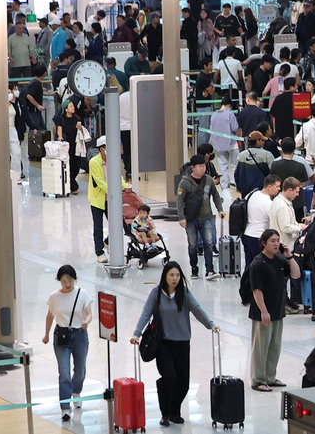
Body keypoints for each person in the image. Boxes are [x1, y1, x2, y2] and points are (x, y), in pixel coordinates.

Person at [130, 262, 218, 426]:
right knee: (169, 377)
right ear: (165, 276)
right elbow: (145, 313)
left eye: (177, 275)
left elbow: (197, 309)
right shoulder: (156, 293)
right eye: (171, 275)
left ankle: (174, 411)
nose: (175, 278)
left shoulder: (183, 293)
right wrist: (137, 334)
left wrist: (210, 324)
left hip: (182, 343)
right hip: (163, 343)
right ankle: (165, 413)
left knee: (183, 382)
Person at [247, 229, 303, 392]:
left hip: (278, 310)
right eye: (272, 241)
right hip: (262, 312)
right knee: (261, 347)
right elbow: (256, 290)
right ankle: (258, 379)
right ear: (263, 243)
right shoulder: (258, 263)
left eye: (277, 240)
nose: (276, 243)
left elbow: (296, 274)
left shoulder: (279, 259)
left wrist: (289, 256)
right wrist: (264, 311)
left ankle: (270, 377)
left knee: (274, 346)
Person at [41, 265, 93, 421]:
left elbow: (89, 313)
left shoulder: (82, 294)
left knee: (80, 371)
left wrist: (86, 321)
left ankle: (76, 390)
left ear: (74, 279)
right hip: (61, 336)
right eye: (64, 281)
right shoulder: (54, 297)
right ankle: (65, 407)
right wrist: (46, 335)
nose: (67, 284)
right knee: (64, 373)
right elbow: (50, 316)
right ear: (59, 281)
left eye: (70, 280)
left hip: (79, 335)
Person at [177, 154, 226, 279]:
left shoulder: (208, 180)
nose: (202, 169)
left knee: (208, 243)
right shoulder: (185, 182)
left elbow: (215, 195)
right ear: (193, 167)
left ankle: (210, 270)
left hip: (207, 217)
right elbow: (180, 201)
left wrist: (220, 209)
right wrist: (181, 217)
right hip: (191, 219)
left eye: (203, 166)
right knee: (192, 244)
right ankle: (194, 268)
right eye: (199, 167)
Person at [89, 136, 128, 262]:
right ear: (101, 149)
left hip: (112, 199)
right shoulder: (94, 162)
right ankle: (99, 252)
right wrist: (116, 190)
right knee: (98, 226)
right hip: (98, 199)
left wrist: (124, 185)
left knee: (117, 223)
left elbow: (118, 176)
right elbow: (100, 182)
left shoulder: (114, 160)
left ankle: (108, 242)